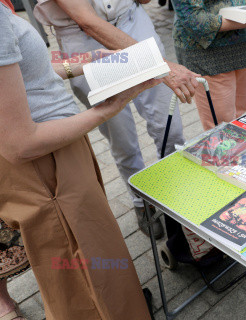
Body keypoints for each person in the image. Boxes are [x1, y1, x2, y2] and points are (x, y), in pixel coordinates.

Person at [0, 3, 161, 318]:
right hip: (45, 161)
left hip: (54, 149)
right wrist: (107, 109)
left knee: (94, 255)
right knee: (83, 271)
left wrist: (87, 61)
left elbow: (24, 72)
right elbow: (20, 144)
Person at [33, 0, 201, 239]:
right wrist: (161, 65)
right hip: (83, 41)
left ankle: (177, 191)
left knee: (169, 127)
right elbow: (87, 21)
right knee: (122, 137)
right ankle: (142, 202)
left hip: (132, 22)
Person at [172, 0, 246, 131]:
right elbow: (193, 18)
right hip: (209, 54)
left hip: (244, 45)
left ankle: (238, 149)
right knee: (221, 128)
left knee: (240, 118)